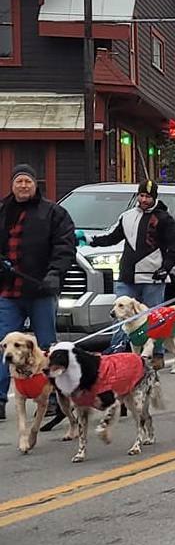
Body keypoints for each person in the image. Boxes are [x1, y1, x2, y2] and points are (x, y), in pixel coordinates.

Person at [0, 165, 76, 423]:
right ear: (12, 184)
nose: (23, 186)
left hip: (41, 289)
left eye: (27, 182)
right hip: (8, 291)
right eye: (18, 181)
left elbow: (65, 245)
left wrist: (55, 273)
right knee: (5, 347)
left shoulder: (53, 213)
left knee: (45, 346)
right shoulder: (2, 211)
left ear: (35, 185)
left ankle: (54, 398)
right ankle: (0, 399)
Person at [89, 180, 175, 367]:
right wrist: (92, 241)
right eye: (141, 195)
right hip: (127, 274)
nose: (144, 199)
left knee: (153, 317)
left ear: (154, 197)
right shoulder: (127, 216)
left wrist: (166, 267)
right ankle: (117, 351)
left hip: (153, 276)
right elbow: (113, 237)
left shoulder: (164, 219)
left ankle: (157, 354)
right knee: (120, 314)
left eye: (148, 196)